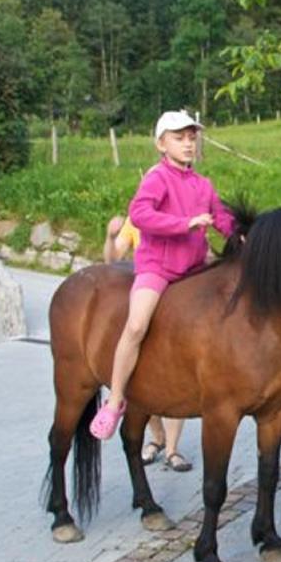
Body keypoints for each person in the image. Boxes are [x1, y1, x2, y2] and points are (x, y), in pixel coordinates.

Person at [89, 110, 234, 441]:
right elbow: (140, 214)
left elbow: (221, 217)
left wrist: (244, 236)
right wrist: (184, 224)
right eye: (178, 138)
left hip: (195, 270)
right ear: (161, 144)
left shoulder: (203, 184)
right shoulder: (156, 177)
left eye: (191, 138)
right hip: (158, 269)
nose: (187, 144)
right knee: (137, 324)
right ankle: (114, 401)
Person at [103, 214, 193, 471]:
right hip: (148, 290)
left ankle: (173, 449)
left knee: (177, 373)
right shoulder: (135, 222)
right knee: (141, 373)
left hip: (176, 298)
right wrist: (110, 236)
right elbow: (112, 260)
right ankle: (157, 438)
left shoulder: (182, 215)